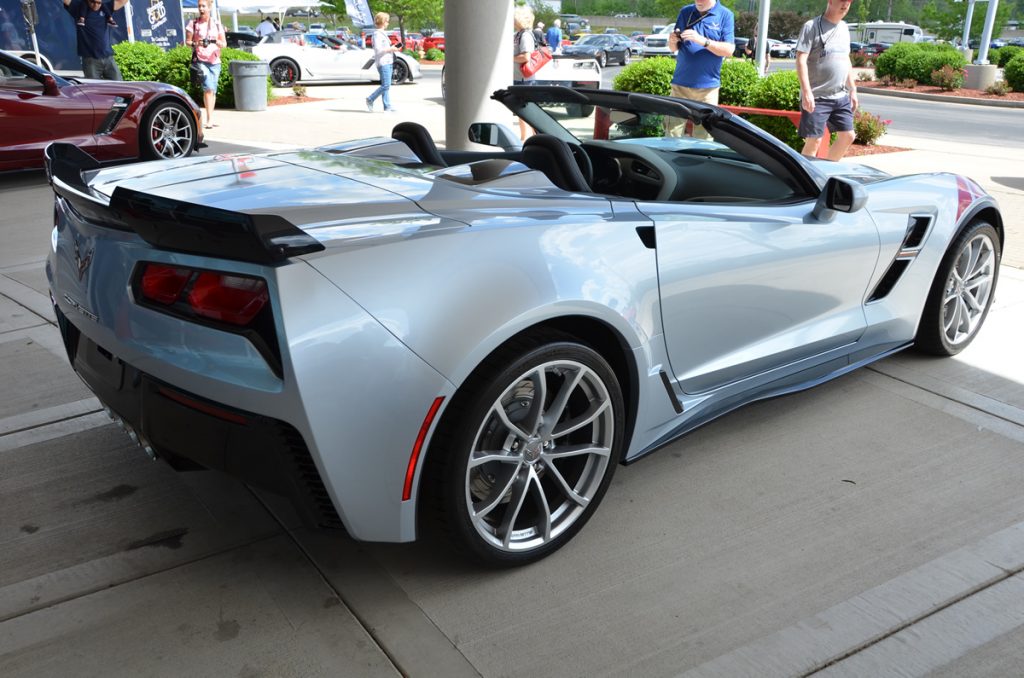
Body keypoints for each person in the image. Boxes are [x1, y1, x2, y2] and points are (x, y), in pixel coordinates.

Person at [795, 0, 858, 160]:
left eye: (849, 1)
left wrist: (853, 89)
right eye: (842, 1)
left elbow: (846, 60)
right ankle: (803, 180)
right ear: (830, 1)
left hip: (840, 95)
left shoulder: (844, 28)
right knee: (814, 141)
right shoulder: (812, 26)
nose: (846, 4)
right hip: (817, 96)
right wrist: (807, 92)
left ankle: (826, 172)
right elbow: (801, 60)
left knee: (848, 136)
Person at [666, 0, 735, 138]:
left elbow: (729, 50)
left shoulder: (725, 15)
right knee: (671, 132)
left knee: (704, 136)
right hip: (680, 86)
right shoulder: (686, 11)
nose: (698, 1)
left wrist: (702, 40)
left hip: (707, 90)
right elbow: (674, 48)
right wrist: (672, 41)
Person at [186, 0, 226, 129]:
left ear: (209, 8)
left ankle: (211, 117)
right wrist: (197, 43)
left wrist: (219, 44)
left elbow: (224, 43)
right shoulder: (193, 23)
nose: (201, 9)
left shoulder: (217, 24)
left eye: (203, 6)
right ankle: (209, 120)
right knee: (208, 88)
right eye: (199, 6)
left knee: (212, 90)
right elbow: (187, 42)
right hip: (201, 59)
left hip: (215, 60)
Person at [62, 0, 127, 80]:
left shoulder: (105, 7)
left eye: (99, 3)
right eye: (93, 2)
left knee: (119, 86)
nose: (96, 5)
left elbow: (122, 1)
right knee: (94, 89)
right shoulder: (79, 7)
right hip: (91, 59)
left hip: (108, 57)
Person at [365, 12, 403, 113]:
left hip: (387, 61)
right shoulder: (377, 34)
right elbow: (378, 49)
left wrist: (392, 48)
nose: (388, 23)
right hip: (383, 62)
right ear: (382, 21)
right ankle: (370, 99)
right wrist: (391, 48)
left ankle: (387, 106)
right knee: (386, 85)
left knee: (386, 85)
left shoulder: (381, 33)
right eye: (387, 21)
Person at [512, 5, 538, 140]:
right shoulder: (518, 34)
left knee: (523, 111)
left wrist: (509, 58)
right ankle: (529, 137)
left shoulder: (525, 35)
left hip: (523, 79)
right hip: (520, 78)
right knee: (523, 110)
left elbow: (526, 57)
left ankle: (525, 139)